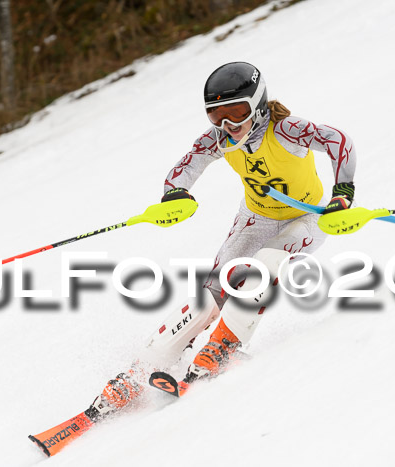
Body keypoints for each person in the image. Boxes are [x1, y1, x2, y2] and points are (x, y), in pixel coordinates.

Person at [89, 61, 357, 417]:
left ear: (259, 104)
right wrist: (175, 194)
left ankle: (223, 346)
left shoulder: (287, 129)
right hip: (255, 218)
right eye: (217, 115)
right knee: (214, 292)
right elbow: (187, 166)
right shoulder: (219, 139)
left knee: (266, 264)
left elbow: (339, 141)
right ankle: (138, 373)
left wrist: (343, 192)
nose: (228, 125)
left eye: (236, 112)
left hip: (305, 218)